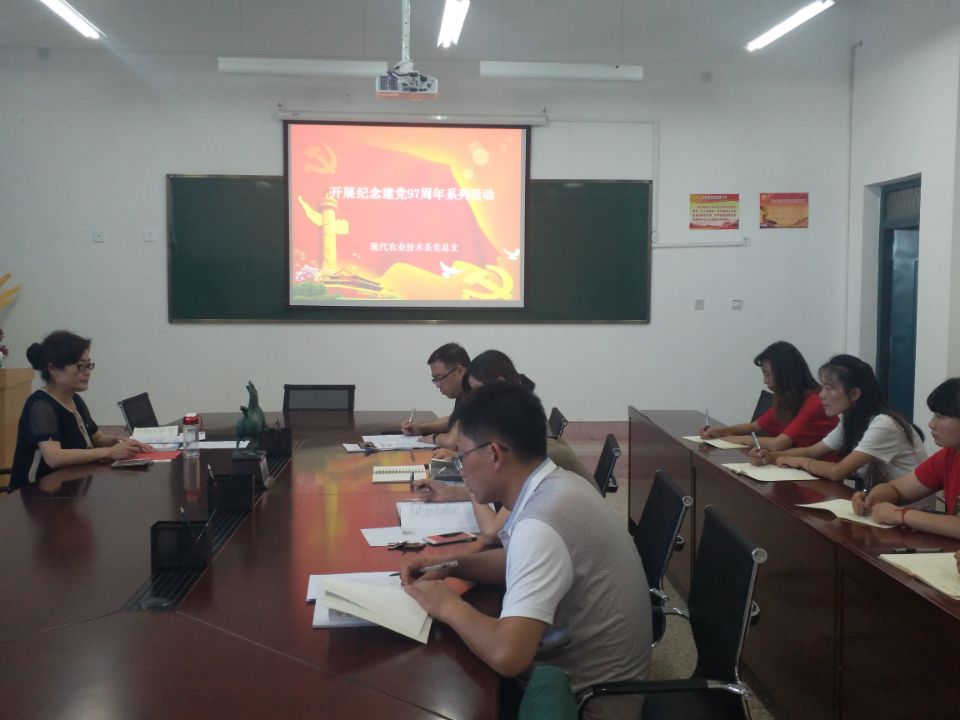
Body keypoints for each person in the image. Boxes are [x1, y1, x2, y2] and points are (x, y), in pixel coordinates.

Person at [401, 383, 651, 719]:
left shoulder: (541, 523)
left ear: (494, 455)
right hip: (587, 677)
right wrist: (452, 564)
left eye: (462, 457)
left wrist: (446, 604)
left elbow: (508, 655)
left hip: (584, 701)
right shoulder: (559, 484)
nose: (460, 470)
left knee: (438, 682)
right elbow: (516, 562)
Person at [413, 349, 594, 542]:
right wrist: (449, 492)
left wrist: (470, 479)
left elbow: (493, 531)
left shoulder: (534, 453)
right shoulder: (517, 423)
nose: (476, 402)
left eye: (479, 392)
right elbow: (501, 493)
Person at [751, 355, 926, 489]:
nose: (821, 395)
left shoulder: (883, 424)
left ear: (854, 394)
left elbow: (838, 471)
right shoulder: (851, 420)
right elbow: (812, 451)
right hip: (879, 504)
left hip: (907, 511)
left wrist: (801, 462)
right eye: (822, 387)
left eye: (829, 388)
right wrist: (770, 457)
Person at [10, 330, 153, 490]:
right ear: (53, 368)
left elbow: (97, 438)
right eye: (80, 366)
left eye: (89, 365)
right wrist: (109, 452)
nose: (87, 372)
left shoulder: (75, 398)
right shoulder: (41, 405)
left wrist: (123, 441)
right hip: (35, 494)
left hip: (68, 486)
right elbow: (54, 457)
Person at [853, 378, 960, 538]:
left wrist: (902, 515)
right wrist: (872, 499)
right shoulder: (949, 455)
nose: (931, 424)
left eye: (940, 416)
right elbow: (897, 489)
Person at [700, 340, 837, 450]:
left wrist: (739, 439)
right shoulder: (788, 399)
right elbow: (753, 426)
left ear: (784, 374)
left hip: (818, 472)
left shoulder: (815, 403)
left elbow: (778, 444)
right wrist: (718, 432)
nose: (764, 381)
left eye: (767, 374)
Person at [400, 342, 469, 448]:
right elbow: (454, 419)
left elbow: (451, 442)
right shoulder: (462, 391)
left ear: (460, 371)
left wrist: (434, 437)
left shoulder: (477, 395)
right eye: (435, 379)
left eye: (439, 378)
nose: (438, 385)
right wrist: (421, 428)